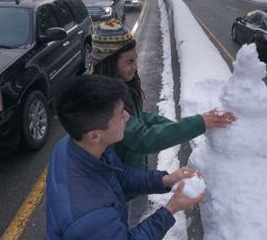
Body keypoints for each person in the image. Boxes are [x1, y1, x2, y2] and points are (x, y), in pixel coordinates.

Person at [46, 74, 204, 240]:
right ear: (94, 134)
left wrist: (164, 180)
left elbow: (119, 176)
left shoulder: (73, 148)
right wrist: (171, 209)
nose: (128, 118)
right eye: (120, 115)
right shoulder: (89, 211)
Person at [88, 18, 236, 172]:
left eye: (136, 58)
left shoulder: (120, 85)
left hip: (133, 178)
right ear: (108, 63)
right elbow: (142, 139)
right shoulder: (102, 101)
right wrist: (198, 123)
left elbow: (140, 117)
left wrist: (175, 125)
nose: (135, 65)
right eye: (129, 62)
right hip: (120, 188)